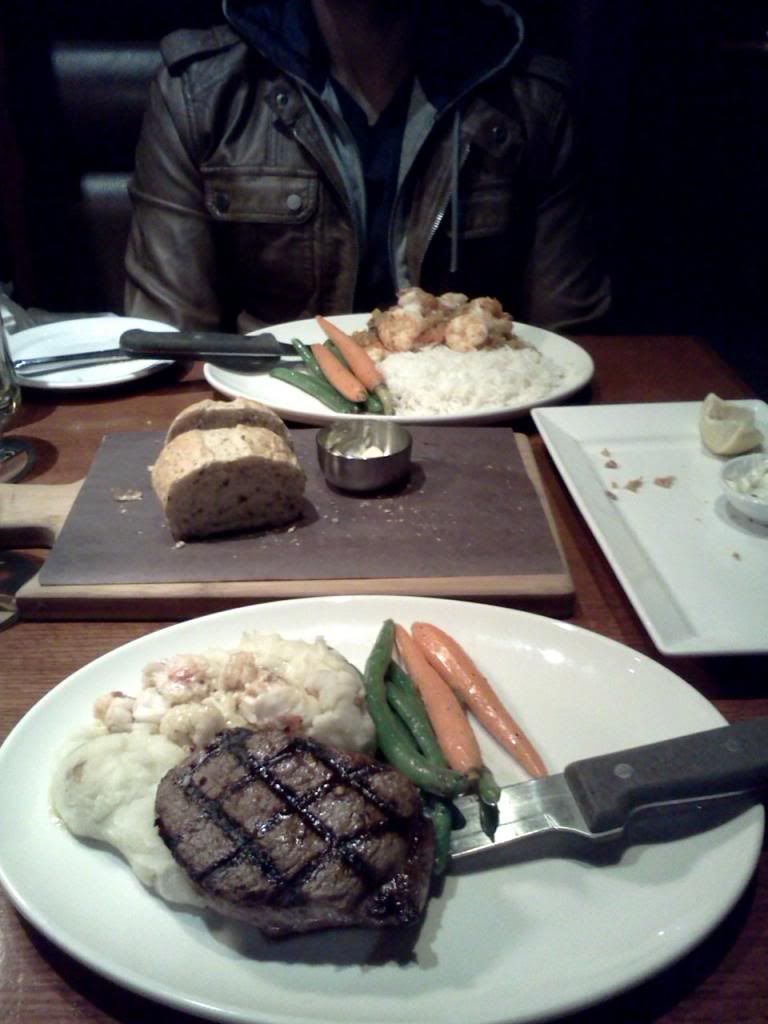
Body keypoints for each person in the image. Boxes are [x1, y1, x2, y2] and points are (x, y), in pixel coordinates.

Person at [124, 0, 610, 334]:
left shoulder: (533, 101)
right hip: (273, 411)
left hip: (474, 421)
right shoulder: (200, 93)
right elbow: (169, 345)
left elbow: (568, 344)